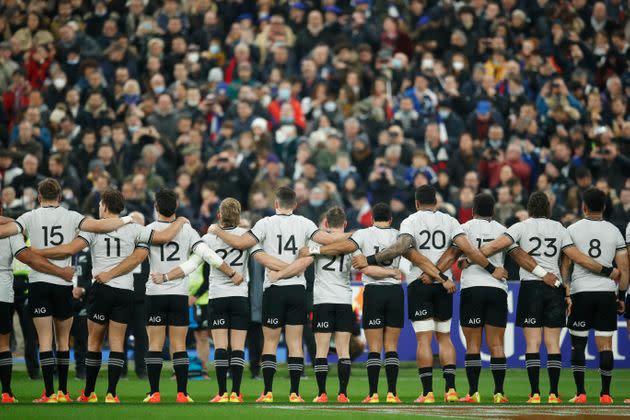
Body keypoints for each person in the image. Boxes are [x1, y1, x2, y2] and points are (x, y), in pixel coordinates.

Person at [31, 188, 186, 403]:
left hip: (101, 289)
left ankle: (88, 393)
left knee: (94, 342)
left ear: (104, 206)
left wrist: (37, 252)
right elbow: (165, 236)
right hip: (125, 291)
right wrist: (182, 220)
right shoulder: (134, 228)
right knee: (117, 343)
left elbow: (68, 250)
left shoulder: (93, 229)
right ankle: (112, 394)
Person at [356, 185, 507, 404]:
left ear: (416, 203)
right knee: (444, 337)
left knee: (424, 339)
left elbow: (404, 248)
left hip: (421, 283)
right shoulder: (450, 221)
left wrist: (371, 260)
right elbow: (459, 250)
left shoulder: (410, 221)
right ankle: (451, 389)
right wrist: (443, 276)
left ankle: (427, 393)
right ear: (436, 202)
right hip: (444, 285)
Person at [0, 178, 138, 403]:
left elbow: (7, 230)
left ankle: (48, 393)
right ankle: (63, 392)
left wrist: (32, 248)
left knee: (44, 341)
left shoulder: (28, 217)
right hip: (63, 284)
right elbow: (101, 225)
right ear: (60, 197)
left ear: (39, 196)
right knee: (63, 341)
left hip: (38, 283)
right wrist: (126, 218)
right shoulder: (72, 216)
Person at [208, 187, 349, 403]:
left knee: (270, 342)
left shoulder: (264, 223)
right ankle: (295, 393)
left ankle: (267, 392)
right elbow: (329, 240)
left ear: (276, 204)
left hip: (273, 290)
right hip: (297, 290)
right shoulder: (306, 224)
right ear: (295, 204)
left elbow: (241, 244)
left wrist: (217, 231)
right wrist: (360, 235)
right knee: (295, 342)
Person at [481, 191, 621, 404]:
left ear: (529, 208)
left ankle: (535, 393)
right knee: (553, 344)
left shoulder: (520, 227)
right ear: (549, 208)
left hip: (530, 287)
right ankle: (554, 394)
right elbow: (576, 257)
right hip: (554, 286)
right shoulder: (559, 228)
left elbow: (493, 246)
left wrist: (471, 255)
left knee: (532, 344)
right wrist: (605, 271)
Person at [109, 189, 242, 403]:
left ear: (155, 206)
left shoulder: (149, 229)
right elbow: (207, 255)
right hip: (179, 294)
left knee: (155, 344)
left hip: (155, 292)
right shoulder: (188, 231)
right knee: (179, 345)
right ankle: (182, 393)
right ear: (176, 207)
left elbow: (138, 257)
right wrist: (232, 272)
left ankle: (154, 393)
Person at [151, 196, 281, 403]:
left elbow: (191, 265)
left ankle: (221, 394)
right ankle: (236, 393)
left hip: (218, 297)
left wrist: (166, 277)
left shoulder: (209, 239)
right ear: (239, 217)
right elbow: (261, 257)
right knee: (238, 347)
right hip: (240, 297)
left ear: (219, 215)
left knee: (221, 346)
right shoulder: (247, 237)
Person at [304, 202, 436, 403]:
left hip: (349, 296)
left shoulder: (359, 236)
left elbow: (362, 266)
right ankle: (387, 394)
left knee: (337, 349)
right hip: (384, 293)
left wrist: (313, 250)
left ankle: (359, 394)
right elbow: (364, 266)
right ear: (391, 219)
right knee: (387, 347)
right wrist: (393, 271)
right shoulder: (398, 235)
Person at [278, 207, 397, 403]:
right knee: (343, 350)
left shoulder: (315, 242)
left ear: (325, 224)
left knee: (321, 350)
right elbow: (364, 266)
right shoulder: (353, 244)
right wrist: (390, 272)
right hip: (343, 300)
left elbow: (302, 261)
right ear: (345, 224)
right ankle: (343, 394)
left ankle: (321, 394)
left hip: (322, 301)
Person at [432, 193, 543, 403]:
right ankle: (499, 392)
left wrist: (434, 273)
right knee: (497, 344)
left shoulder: (464, 228)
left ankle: (473, 392)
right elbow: (517, 255)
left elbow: (452, 256)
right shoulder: (503, 231)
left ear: (473, 210)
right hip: (497, 290)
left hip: (472, 289)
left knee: (473, 344)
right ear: (493, 211)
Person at [0, 209, 75, 404]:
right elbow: (31, 258)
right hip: (5, 291)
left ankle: (48, 393)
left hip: (30, 288)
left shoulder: (17, 227)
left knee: (43, 341)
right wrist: (61, 272)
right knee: (5, 344)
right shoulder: (12, 232)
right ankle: (9, 393)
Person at [563, 188, 628, 404]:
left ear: (583, 207)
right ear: (605, 207)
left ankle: (580, 393)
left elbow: (566, 262)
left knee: (578, 344)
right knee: (606, 345)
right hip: (605, 293)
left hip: (581, 292)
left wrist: (567, 288)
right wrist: (620, 296)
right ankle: (606, 394)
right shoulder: (614, 231)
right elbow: (624, 269)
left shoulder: (572, 229)